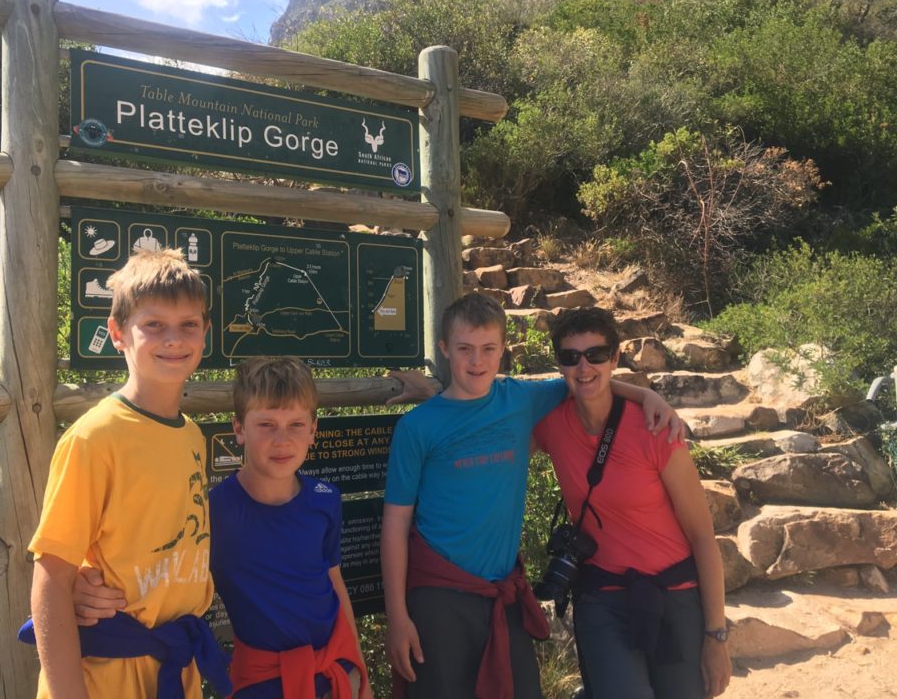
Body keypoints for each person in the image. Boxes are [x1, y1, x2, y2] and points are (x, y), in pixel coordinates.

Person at [382, 292, 684, 699]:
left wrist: (648, 395)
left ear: (503, 351)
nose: (476, 361)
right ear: (444, 350)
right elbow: (395, 524)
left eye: (488, 349)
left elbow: (586, 381)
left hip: (502, 591)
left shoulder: (521, 398)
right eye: (464, 349)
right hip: (440, 595)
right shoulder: (417, 428)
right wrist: (397, 618)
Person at [72, 357, 371, 699]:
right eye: (267, 425)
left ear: (314, 429)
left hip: (335, 674)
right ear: (239, 429)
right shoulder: (212, 511)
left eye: (296, 425)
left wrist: (358, 669)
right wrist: (79, 582)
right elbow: (154, 565)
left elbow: (335, 582)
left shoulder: (325, 500)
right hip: (259, 681)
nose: (282, 440)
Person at [26, 247, 226, 698]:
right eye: (153, 325)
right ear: (117, 333)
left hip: (174, 670)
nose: (173, 339)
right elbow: (51, 576)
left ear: (204, 333)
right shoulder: (94, 438)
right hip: (106, 675)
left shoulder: (192, 436)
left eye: (188, 325)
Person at [533, 307, 731, 699]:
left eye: (597, 355)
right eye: (571, 357)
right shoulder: (551, 424)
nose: (584, 366)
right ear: (559, 364)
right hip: (603, 597)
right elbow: (486, 410)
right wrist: (431, 392)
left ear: (616, 357)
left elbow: (702, 536)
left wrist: (717, 636)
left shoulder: (655, 428)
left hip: (674, 597)